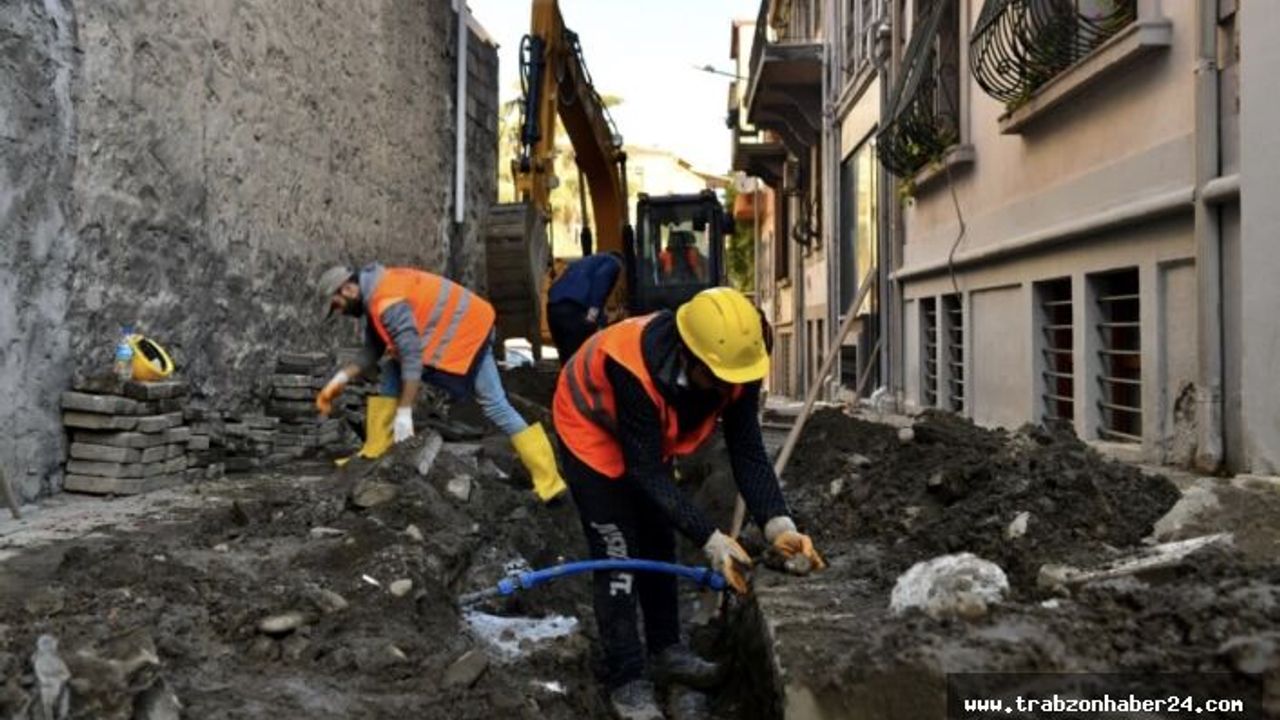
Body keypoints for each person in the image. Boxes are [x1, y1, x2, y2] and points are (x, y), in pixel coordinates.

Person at [551, 287, 825, 719]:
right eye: (717, 382)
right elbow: (643, 472)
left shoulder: (735, 363)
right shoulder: (632, 367)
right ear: (687, 356)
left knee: (660, 537)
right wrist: (712, 538)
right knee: (619, 555)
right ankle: (627, 678)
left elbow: (748, 451)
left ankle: (666, 652)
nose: (726, 391)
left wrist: (779, 525)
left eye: (734, 382)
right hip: (591, 430)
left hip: (644, 438)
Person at [313, 263, 566, 503]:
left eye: (338, 305)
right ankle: (376, 449)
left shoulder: (387, 301)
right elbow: (373, 348)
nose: (341, 312)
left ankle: (549, 482)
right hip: (455, 328)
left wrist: (404, 413)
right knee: (392, 364)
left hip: (470, 331)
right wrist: (340, 379)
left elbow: (412, 357)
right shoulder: (375, 294)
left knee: (494, 404)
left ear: (348, 289)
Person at [545, 251, 624, 361]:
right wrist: (593, 316)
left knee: (566, 357)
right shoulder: (612, 262)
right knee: (581, 356)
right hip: (573, 310)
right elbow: (600, 282)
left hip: (553, 309)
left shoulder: (581, 263)